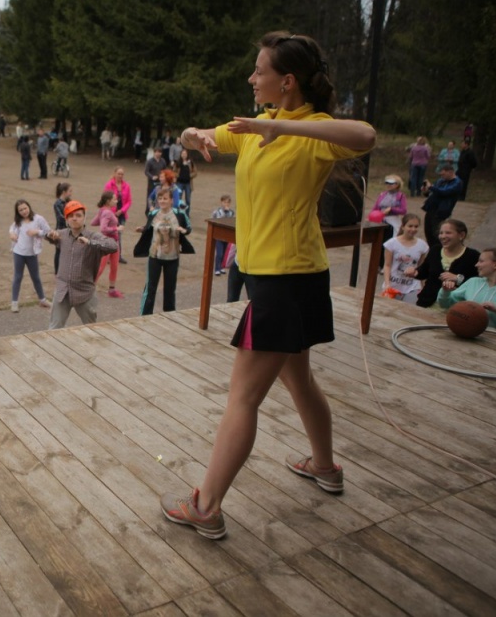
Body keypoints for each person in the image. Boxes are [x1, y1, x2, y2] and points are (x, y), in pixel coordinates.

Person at [161, 31, 377, 540]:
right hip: (281, 277)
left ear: (287, 81)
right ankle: (324, 466)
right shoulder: (253, 128)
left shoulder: (313, 130)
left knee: (242, 398)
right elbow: (197, 136)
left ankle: (206, 507)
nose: (251, 78)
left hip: (287, 280)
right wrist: (194, 135)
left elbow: (366, 136)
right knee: (299, 379)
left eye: (260, 71)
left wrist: (277, 126)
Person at [45, 200, 118, 329]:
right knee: (54, 328)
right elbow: (49, 236)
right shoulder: (62, 235)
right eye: (71, 216)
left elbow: (113, 245)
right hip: (63, 291)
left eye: (78, 215)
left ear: (84, 218)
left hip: (84, 292)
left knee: (92, 329)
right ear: (66, 219)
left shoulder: (93, 236)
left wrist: (90, 243)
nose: (74, 218)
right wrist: (49, 235)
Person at [438, 248, 496, 330]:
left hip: (491, 340)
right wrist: (445, 292)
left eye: (481, 261)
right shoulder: (473, 282)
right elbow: (444, 304)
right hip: (462, 332)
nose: (476, 265)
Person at [134, 187, 192, 315]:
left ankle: (169, 314)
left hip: (173, 257)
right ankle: (145, 315)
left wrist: (184, 231)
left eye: (165, 198)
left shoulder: (179, 214)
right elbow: (149, 226)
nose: (162, 201)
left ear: (171, 200)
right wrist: (142, 229)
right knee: (150, 288)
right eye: (160, 198)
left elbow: (188, 227)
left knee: (170, 289)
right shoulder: (153, 214)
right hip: (155, 256)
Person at [405, 218, 480, 308]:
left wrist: (458, 279)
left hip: (454, 309)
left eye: (448, 233)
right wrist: (415, 272)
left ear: (461, 235)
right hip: (426, 304)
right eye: (441, 233)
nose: (443, 236)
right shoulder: (435, 250)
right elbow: (424, 271)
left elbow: (479, 284)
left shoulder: (473, 256)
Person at [9, 199, 52, 312]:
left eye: (25, 208)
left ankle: (42, 299)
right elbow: (12, 228)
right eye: (20, 210)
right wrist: (12, 234)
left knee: (35, 277)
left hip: (32, 253)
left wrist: (37, 232)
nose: (24, 211)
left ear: (29, 207)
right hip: (19, 252)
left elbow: (48, 232)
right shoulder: (18, 221)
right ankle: (14, 302)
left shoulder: (38, 219)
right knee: (18, 277)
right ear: (17, 212)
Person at [382, 213, 429, 303]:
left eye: (416, 226)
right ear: (403, 226)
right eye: (410, 226)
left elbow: (421, 267)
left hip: (412, 286)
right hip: (393, 285)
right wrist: (387, 284)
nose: (413, 229)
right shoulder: (391, 244)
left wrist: (423, 286)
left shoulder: (422, 245)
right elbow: (387, 265)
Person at [421, 164, 462, 249]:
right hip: (431, 208)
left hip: (442, 210)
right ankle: (432, 250)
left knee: (437, 232)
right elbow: (433, 192)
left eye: (443, 174)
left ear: (450, 172)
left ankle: (440, 250)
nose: (442, 176)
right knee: (428, 232)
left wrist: (431, 187)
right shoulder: (441, 181)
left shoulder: (457, 182)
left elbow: (444, 192)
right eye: (441, 174)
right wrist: (426, 191)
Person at [92, 191, 124, 298]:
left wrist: (102, 218)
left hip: (113, 242)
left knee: (114, 266)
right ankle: (90, 289)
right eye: (114, 199)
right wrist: (116, 228)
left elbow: (93, 222)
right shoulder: (107, 212)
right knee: (101, 267)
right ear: (108, 201)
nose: (116, 201)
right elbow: (103, 228)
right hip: (107, 243)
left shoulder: (103, 211)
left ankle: (112, 289)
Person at [104, 167, 133, 264]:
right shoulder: (109, 185)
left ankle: (118, 256)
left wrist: (122, 210)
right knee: (110, 235)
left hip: (121, 215)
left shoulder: (127, 186)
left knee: (118, 235)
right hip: (111, 214)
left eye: (122, 174)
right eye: (119, 173)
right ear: (115, 173)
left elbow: (129, 201)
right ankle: (107, 256)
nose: (120, 176)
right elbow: (106, 199)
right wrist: (112, 211)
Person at [373, 175, 408, 239]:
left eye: (391, 183)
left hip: (393, 221)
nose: (388, 185)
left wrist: (391, 209)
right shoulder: (382, 194)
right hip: (381, 221)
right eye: (387, 183)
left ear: (397, 184)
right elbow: (376, 208)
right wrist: (372, 217)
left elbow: (403, 210)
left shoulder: (401, 196)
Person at [210, 195, 235, 275]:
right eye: (224, 202)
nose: (226, 204)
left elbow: (231, 221)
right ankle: (217, 268)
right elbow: (216, 220)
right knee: (219, 253)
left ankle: (222, 267)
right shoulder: (217, 212)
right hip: (219, 235)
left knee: (225, 252)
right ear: (221, 202)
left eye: (228, 203)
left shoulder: (231, 212)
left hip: (227, 235)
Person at [52, 182, 73, 274]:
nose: (71, 193)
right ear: (64, 192)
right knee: (59, 251)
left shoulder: (69, 202)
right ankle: (57, 271)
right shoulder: (57, 204)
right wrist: (70, 220)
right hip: (61, 230)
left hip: (70, 229)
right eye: (70, 191)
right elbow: (60, 217)